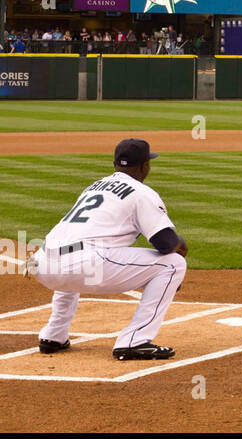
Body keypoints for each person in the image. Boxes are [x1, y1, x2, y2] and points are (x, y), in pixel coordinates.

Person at [26, 139, 187, 361]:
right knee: (173, 264)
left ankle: (53, 335)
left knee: (73, 262)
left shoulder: (94, 186)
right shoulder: (141, 192)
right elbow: (166, 243)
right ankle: (134, 341)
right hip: (84, 264)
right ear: (144, 166)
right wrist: (182, 246)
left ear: (115, 164)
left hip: (40, 263)